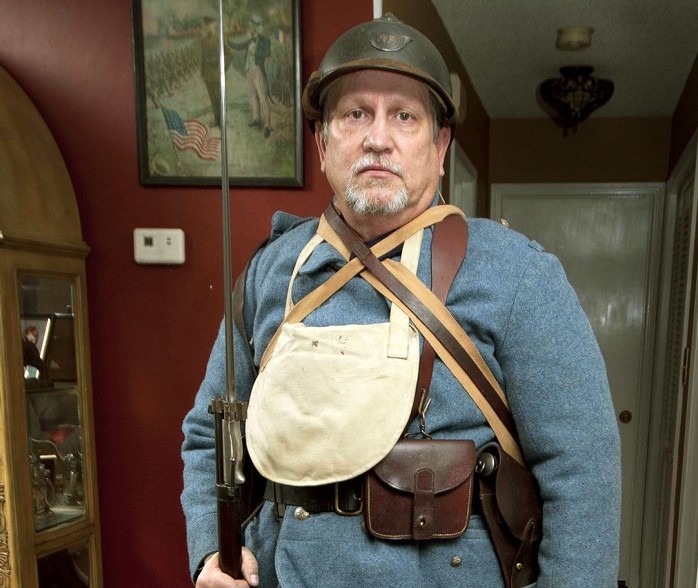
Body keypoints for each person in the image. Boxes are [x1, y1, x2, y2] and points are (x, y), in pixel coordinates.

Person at [181, 14, 621, 588]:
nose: (378, 138)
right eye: (355, 113)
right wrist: (209, 553)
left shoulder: (519, 275)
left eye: (404, 116)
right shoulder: (269, 273)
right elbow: (207, 437)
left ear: (440, 147)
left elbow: (582, 473)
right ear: (322, 143)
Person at [227, 15, 273, 138]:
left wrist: (254, 52)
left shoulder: (265, 40)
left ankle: (267, 125)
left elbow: (267, 53)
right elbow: (238, 46)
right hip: (249, 70)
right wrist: (225, 40)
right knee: (253, 96)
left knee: (263, 97)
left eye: (252, 27)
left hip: (258, 70)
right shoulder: (250, 40)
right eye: (250, 27)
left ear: (257, 28)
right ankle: (256, 118)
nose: (250, 29)